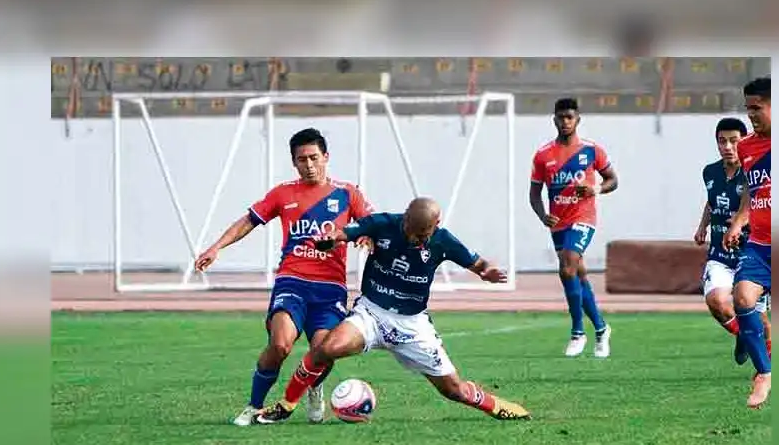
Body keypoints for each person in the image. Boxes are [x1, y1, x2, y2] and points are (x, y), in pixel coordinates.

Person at [252, 197, 531, 425]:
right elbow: (345, 232)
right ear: (405, 216)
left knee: (453, 390)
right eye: (410, 228)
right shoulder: (384, 223)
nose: (413, 237)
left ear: (436, 225)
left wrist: (487, 272)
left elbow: (476, 262)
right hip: (371, 314)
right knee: (325, 349)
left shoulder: (443, 241)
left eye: (421, 234)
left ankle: (496, 405)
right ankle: (287, 404)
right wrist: (331, 238)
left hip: (412, 325)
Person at [194, 128, 374, 425]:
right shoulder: (283, 193)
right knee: (280, 345)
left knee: (324, 350)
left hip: (330, 288)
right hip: (292, 281)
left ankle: (314, 385)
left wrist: (367, 236)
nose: (309, 165)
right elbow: (248, 221)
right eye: (302, 159)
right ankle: (253, 406)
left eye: (314, 157)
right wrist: (216, 247)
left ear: (326, 157)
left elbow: (372, 224)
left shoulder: (347, 193)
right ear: (294, 163)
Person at [529, 97, 619, 358]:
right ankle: (601, 328)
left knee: (567, 264)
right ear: (554, 119)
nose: (565, 121)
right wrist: (542, 215)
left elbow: (613, 179)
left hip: (584, 217)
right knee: (577, 275)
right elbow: (534, 193)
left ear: (578, 119)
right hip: (558, 222)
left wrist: (596, 188)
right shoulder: (543, 154)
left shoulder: (591, 150)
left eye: (570, 117)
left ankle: (577, 331)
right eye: (561, 117)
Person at [693, 117, 772, 364]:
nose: (727, 146)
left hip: (750, 254)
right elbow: (713, 200)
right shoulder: (710, 171)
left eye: (733, 141)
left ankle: (765, 368)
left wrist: (741, 222)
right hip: (719, 253)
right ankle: (745, 337)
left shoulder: (755, 171)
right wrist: (703, 226)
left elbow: (759, 204)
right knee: (716, 302)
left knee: (759, 319)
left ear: (744, 141)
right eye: (722, 141)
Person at [723, 77, 772, 408]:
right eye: (748, 108)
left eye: (758, 108)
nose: (751, 115)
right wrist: (738, 222)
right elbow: (749, 193)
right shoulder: (746, 147)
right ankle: (764, 373)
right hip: (760, 243)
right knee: (742, 297)